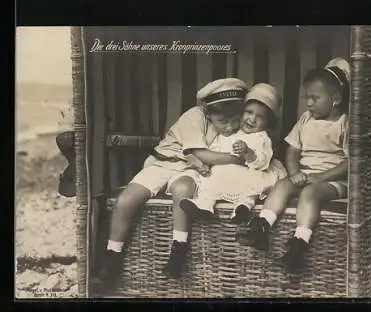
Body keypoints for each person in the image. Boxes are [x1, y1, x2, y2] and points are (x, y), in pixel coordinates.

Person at [92, 78, 249, 284]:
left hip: (190, 169)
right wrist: (237, 159)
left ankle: (178, 250)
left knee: (183, 190)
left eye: (234, 120)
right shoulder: (194, 116)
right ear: (208, 112)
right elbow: (201, 154)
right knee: (126, 200)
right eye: (223, 121)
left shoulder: (234, 127)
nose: (229, 127)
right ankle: (113, 257)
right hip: (163, 163)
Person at [238, 58, 351, 274]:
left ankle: (299, 243)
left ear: (335, 99)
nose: (308, 103)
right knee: (281, 185)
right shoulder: (305, 120)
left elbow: (351, 161)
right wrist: (294, 172)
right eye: (307, 97)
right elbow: (293, 150)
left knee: (310, 193)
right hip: (305, 176)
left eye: (314, 98)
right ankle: (262, 226)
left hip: (334, 181)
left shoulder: (344, 123)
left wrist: (322, 177)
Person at [179, 83, 286, 225]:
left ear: (267, 123)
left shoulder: (262, 138)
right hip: (225, 172)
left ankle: (243, 207)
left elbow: (262, 160)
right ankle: (205, 205)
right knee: (210, 183)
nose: (252, 119)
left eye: (260, 117)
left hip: (249, 172)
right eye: (249, 112)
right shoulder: (229, 132)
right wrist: (204, 165)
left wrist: (248, 152)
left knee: (252, 188)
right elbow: (215, 149)